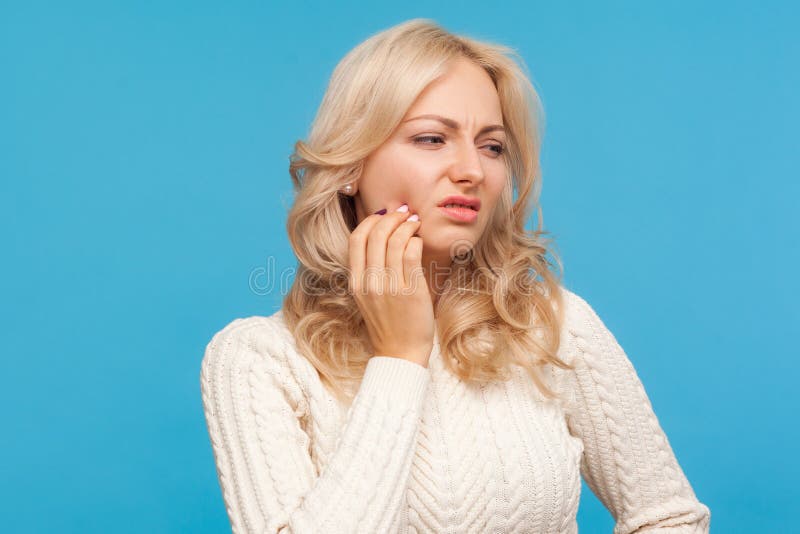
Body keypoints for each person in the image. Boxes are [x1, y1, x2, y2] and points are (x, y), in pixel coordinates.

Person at [200, 18, 711, 534]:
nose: (471, 169)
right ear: (351, 164)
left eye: (491, 146)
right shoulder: (257, 361)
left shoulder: (553, 326)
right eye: (431, 138)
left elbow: (669, 518)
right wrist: (399, 358)